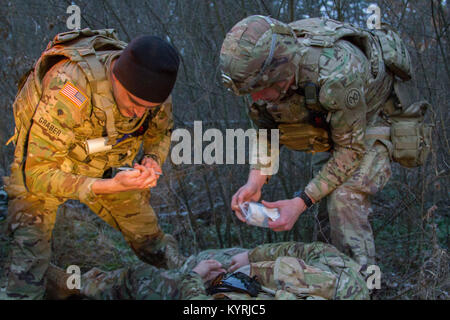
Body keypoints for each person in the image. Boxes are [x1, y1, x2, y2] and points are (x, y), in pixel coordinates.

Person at [219, 16, 422, 271]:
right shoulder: (256, 77)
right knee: (324, 205)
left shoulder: (336, 71)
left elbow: (350, 150)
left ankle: (359, 285)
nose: (255, 97)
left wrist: (301, 201)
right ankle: (328, 275)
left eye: (259, 88)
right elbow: (265, 132)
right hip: (333, 122)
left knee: (343, 197)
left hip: (371, 118)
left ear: (281, 75)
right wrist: (255, 181)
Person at [3, 29, 184, 299]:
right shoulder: (69, 87)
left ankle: (184, 282)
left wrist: (152, 160)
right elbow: (36, 174)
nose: (139, 112)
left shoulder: (154, 94)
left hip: (106, 159)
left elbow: (160, 133)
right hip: (47, 163)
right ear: (114, 77)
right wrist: (104, 186)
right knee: (28, 262)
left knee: (151, 239)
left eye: (148, 107)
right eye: (134, 103)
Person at [46, 241, 369, 300]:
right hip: (240, 274)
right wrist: (253, 256)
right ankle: (177, 258)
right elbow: (315, 251)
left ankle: (76, 286)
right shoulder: (350, 283)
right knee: (218, 255)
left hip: (217, 292)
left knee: (142, 282)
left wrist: (193, 279)